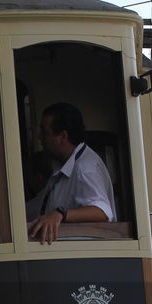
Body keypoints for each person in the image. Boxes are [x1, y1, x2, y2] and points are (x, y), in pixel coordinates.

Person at [26, 102, 116, 244]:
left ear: (63, 136)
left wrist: (61, 214)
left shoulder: (85, 168)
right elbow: (38, 206)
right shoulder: (62, 167)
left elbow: (102, 212)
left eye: (44, 132)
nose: (39, 137)